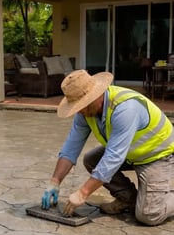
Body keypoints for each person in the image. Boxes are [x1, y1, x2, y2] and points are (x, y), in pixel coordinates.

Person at [41, 69, 174, 226]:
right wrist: (55, 181)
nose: (80, 110)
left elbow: (113, 157)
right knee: (92, 159)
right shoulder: (85, 112)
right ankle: (128, 200)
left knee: (149, 215)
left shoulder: (125, 109)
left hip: (158, 156)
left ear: (96, 95)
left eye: (82, 105)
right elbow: (71, 147)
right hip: (130, 154)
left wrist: (83, 193)